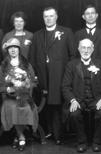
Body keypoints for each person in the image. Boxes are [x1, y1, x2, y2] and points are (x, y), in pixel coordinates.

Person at [28, 7, 76, 145]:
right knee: (45, 104)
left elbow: (73, 55)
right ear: (43, 18)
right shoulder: (37, 35)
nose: (48, 19)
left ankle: (59, 134)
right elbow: (32, 57)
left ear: (56, 17)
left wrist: (69, 75)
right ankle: (49, 131)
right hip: (43, 76)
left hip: (60, 75)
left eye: (51, 16)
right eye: (46, 16)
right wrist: (34, 75)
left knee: (58, 105)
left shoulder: (66, 32)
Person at [62, 38, 101, 152]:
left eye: (88, 48)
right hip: (78, 99)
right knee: (74, 114)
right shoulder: (72, 65)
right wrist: (73, 100)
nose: (86, 50)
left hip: (96, 98)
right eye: (83, 47)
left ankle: (97, 141)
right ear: (79, 49)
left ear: (93, 49)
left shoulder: (100, 63)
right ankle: (82, 141)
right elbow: (65, 86)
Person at [0, 38, 38, 151]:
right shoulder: (3, 65)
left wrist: (27, 85)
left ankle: (17, 136)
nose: (13, 50)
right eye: (10, 48)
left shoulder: (26, 64)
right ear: (7, 50)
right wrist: (8, 89)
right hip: (9, 98)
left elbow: (34, 81)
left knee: (26, 108)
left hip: (25, 97)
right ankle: (22, 136)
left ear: (19, 49)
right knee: (14, 107)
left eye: (15, 47)